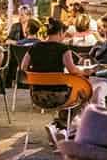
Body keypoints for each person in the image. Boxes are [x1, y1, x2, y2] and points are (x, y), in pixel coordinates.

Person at [21, 17, 85, 148]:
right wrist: (83, 71)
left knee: (73, 96)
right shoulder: (63, 49)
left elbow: (23, 68)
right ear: (61, 32)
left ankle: (60, 128)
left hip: (37, 97)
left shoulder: (34, 47)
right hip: (59, 97)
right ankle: (59, 126)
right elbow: (73, 70)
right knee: (83, 95)